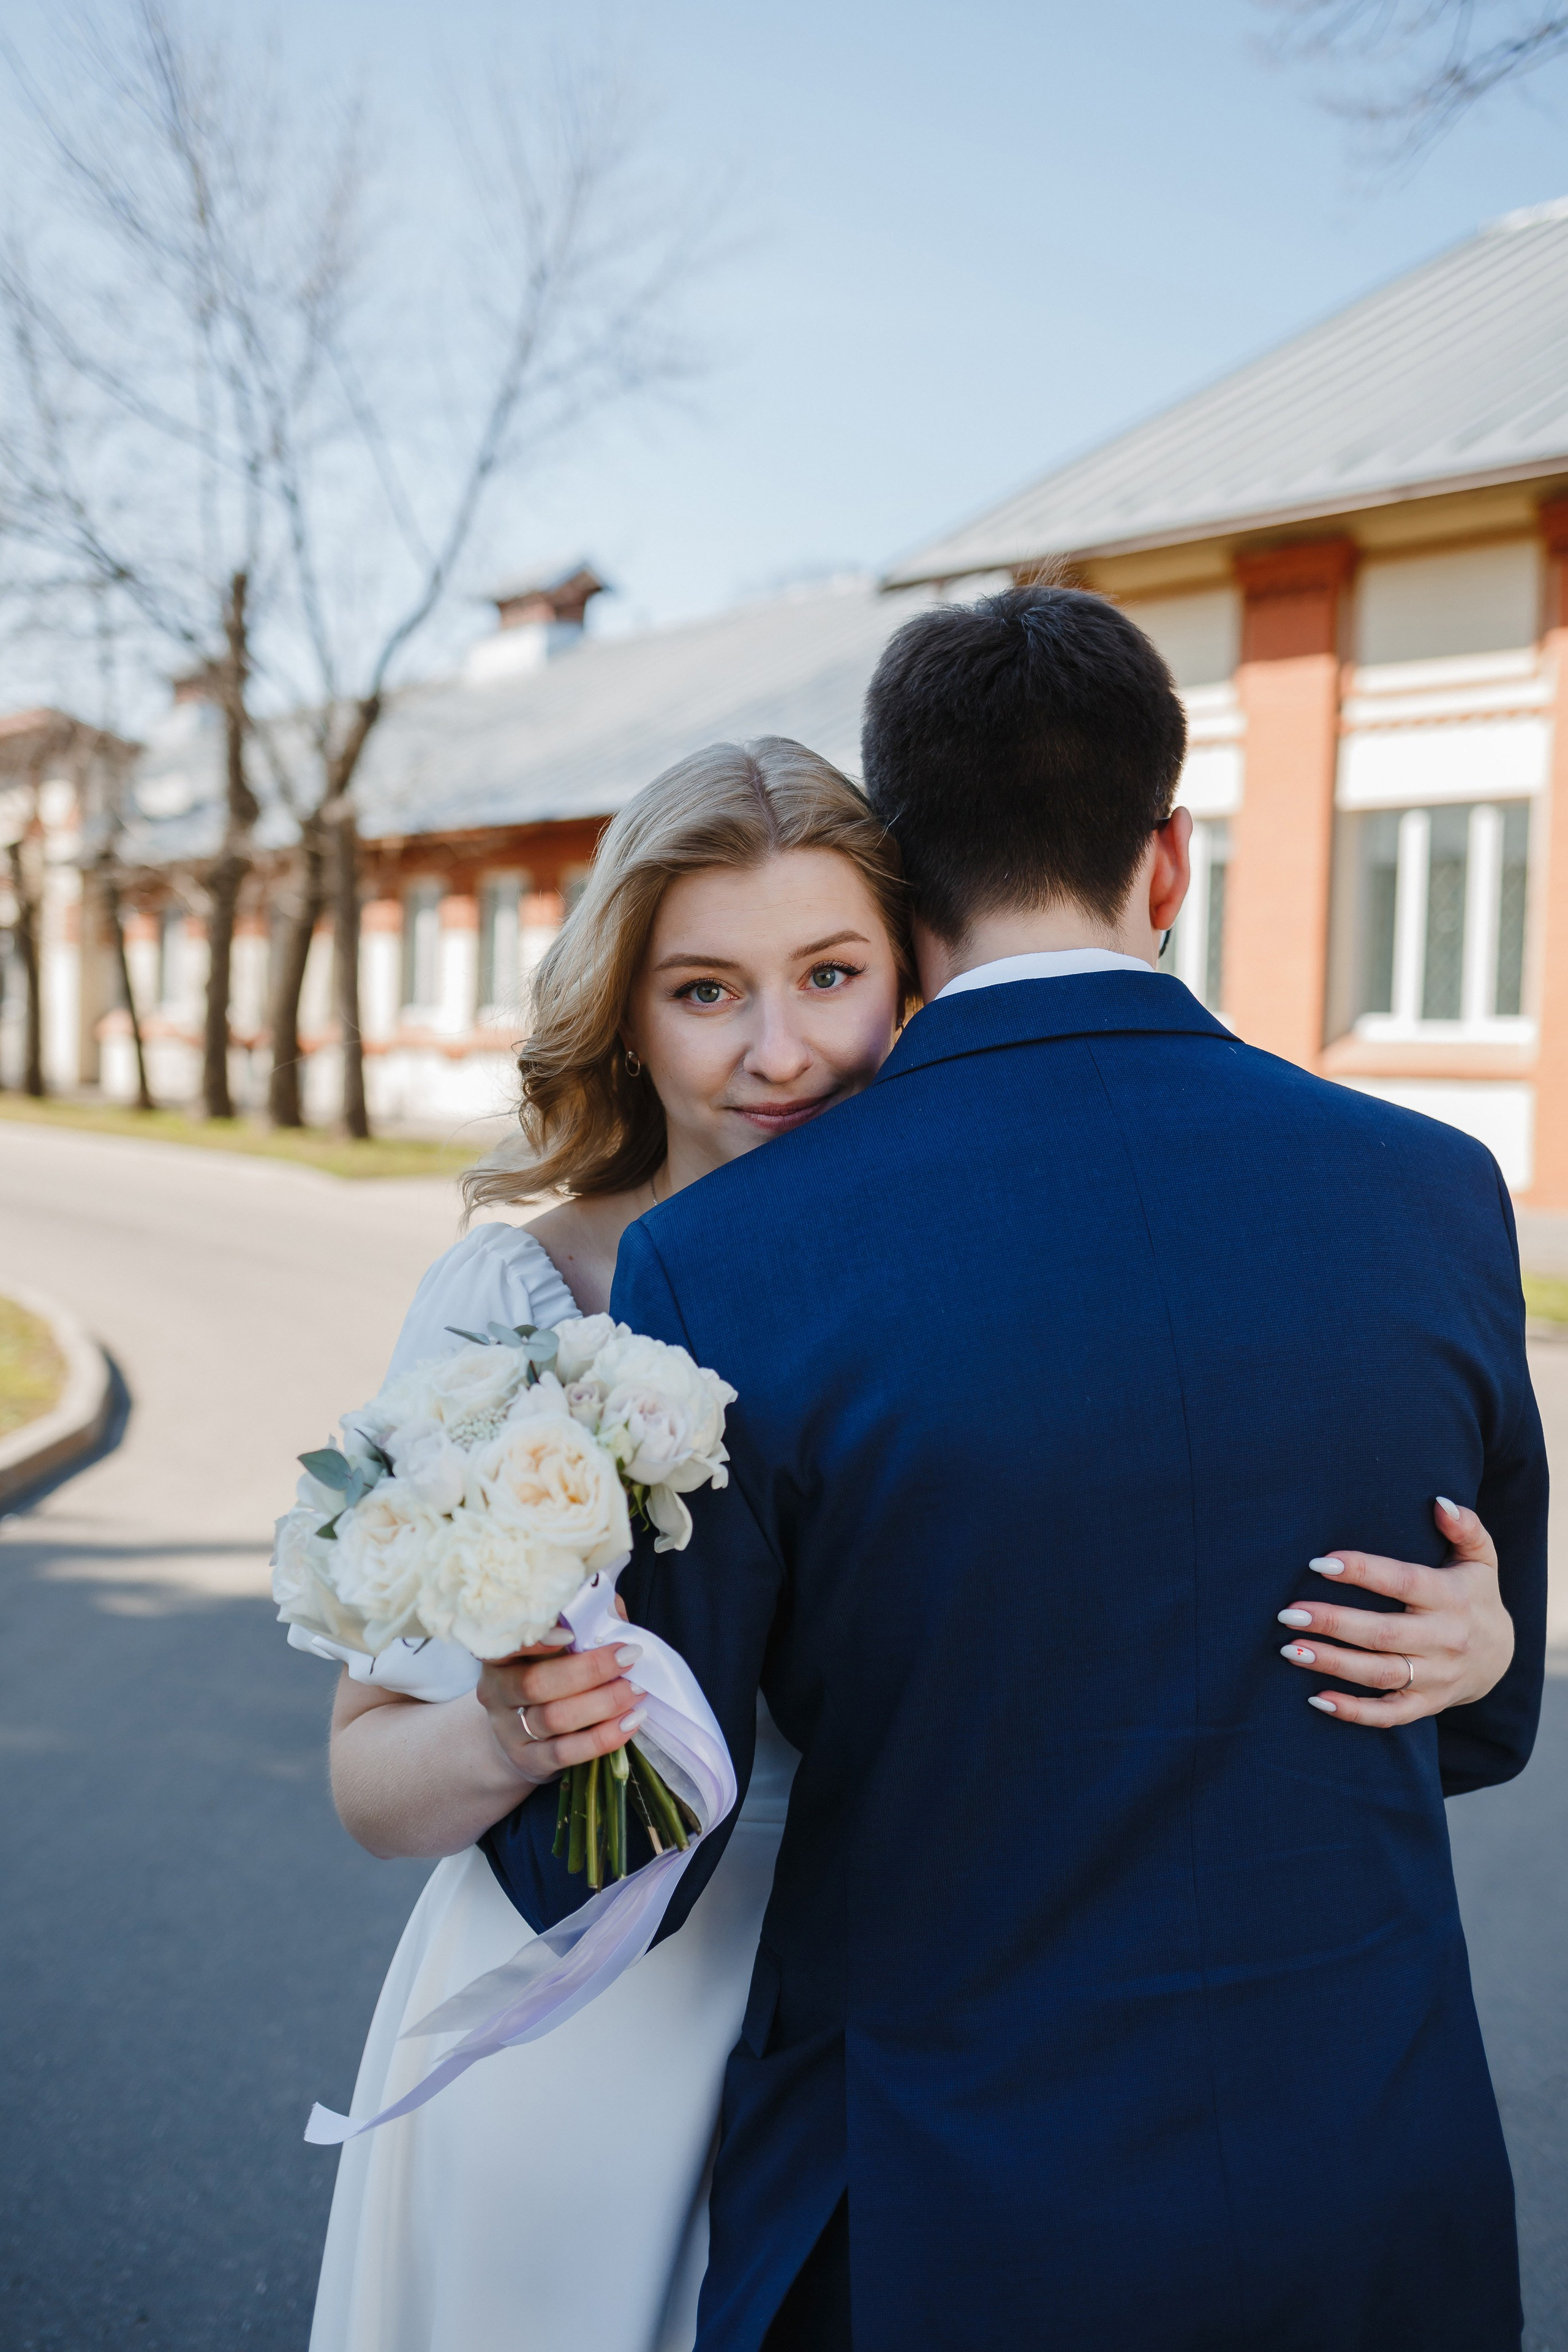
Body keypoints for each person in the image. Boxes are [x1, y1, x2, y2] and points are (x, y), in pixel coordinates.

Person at [299, 714, 1525, 2351]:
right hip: (596, 1999)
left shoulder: (979, 1258)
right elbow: (367, 1772)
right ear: (627, 1013)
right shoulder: (513, 1302)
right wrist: (509, 1733)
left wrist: (1477, 1641)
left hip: (929, 2018)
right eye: (706, 991)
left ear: (919, 962)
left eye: (832, 974)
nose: (782, 1053)